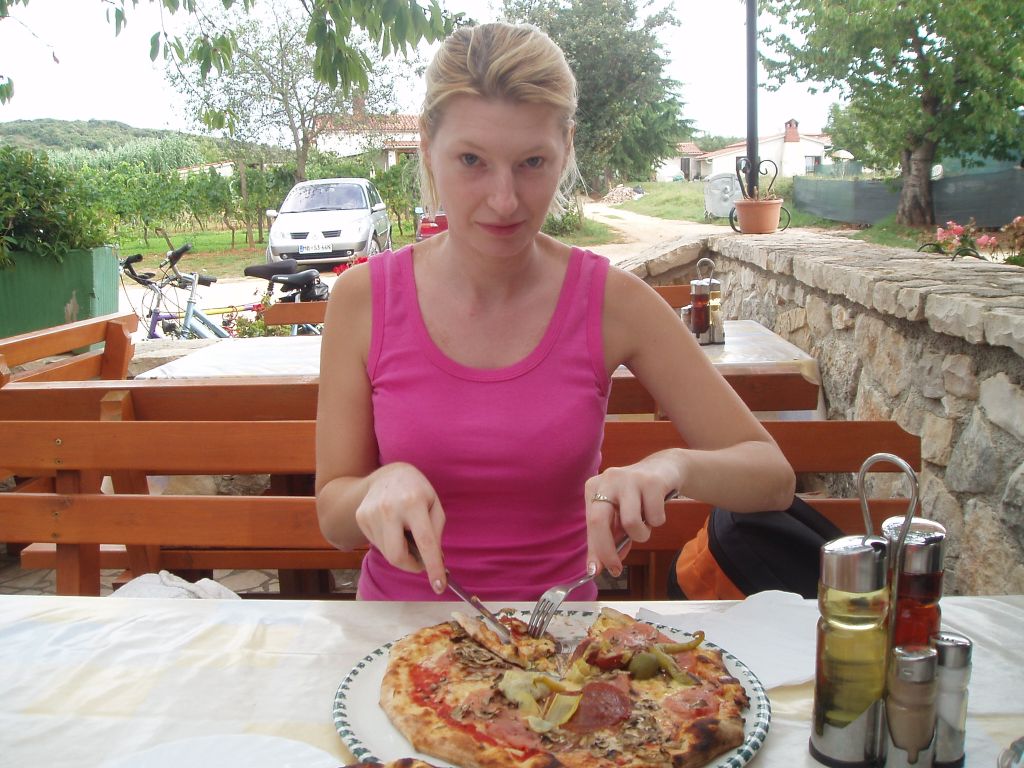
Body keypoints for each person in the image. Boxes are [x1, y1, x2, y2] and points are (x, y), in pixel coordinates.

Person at [314, 22, 795, 601]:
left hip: (560, 641)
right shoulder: (363, 299)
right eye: (471, 160)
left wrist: (673, 467)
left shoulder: (611, 301)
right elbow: (333, 517)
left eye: (532, 162)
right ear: (426, 146)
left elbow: (772, 477)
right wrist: (377, 486)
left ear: (565, 148)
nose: (504, 200)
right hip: (398, 640)